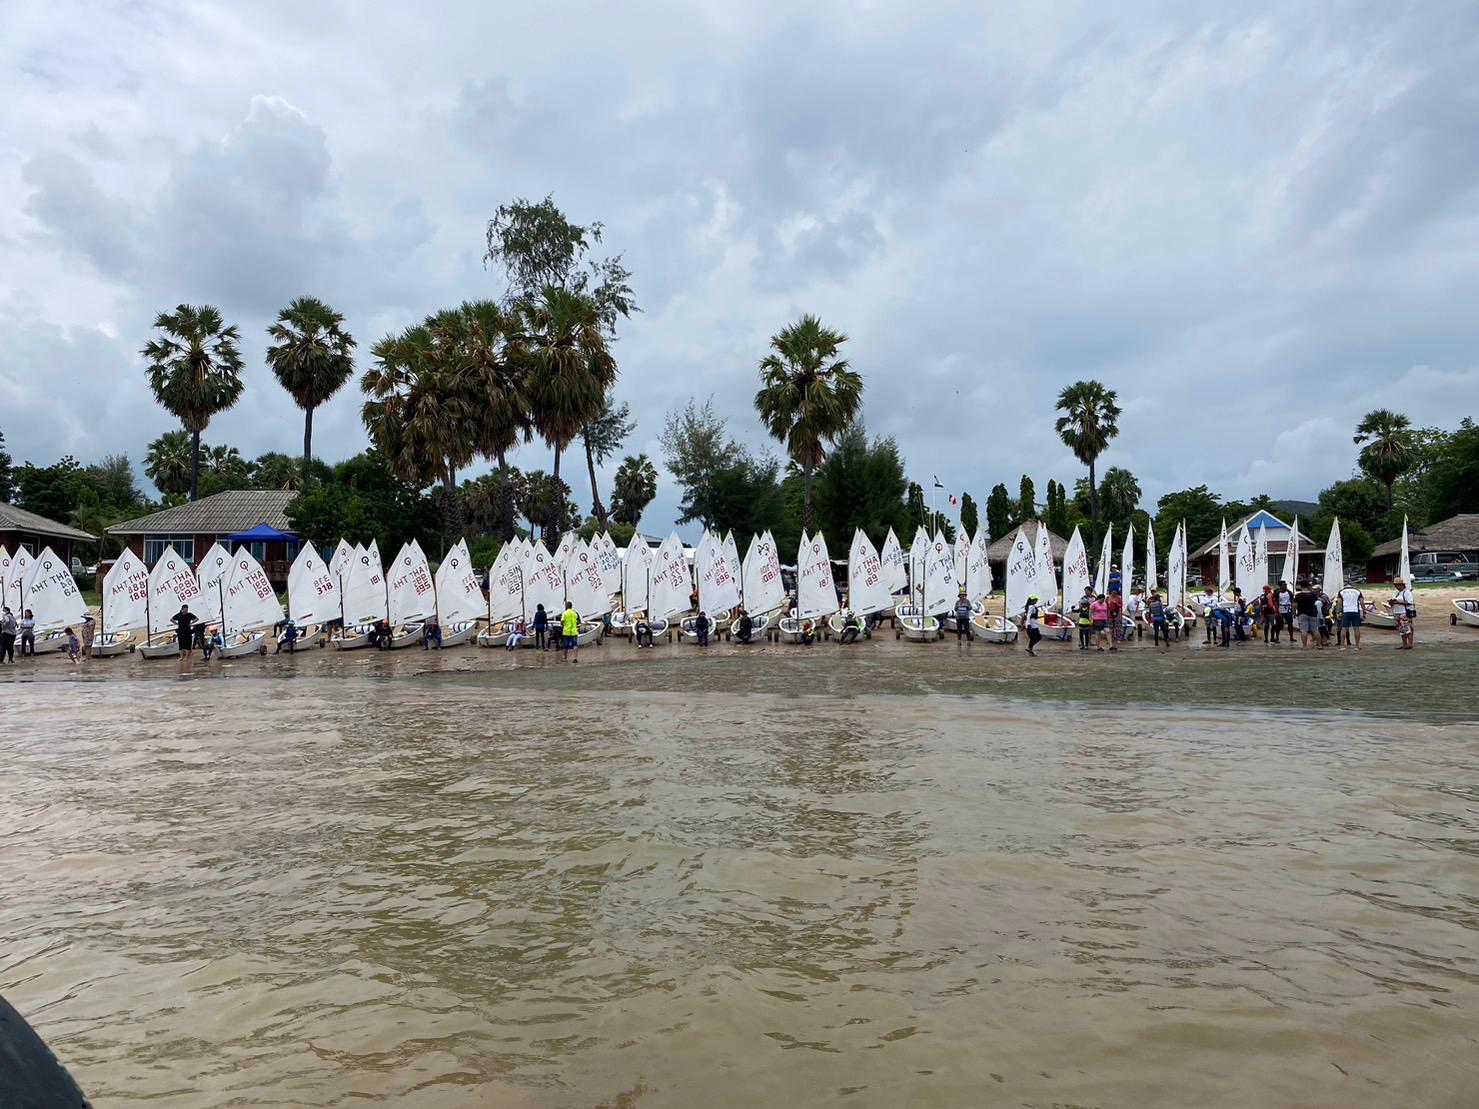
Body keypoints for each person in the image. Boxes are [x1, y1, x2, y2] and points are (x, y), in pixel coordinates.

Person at [1292, 580, 1321, 649]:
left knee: (1304, 630)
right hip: (1313, 614)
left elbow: (1294, 605)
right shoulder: (1313, 595)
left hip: (1302, 614)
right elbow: (1317, 603)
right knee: (1315, 630)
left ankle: (1304, 646)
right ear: (1308, 586)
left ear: (1301, 586)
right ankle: (1320, 645)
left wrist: (1294, 612)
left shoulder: (1298, 595)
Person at [1390, 577, 1416, 649]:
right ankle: (1405, 644)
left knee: (1406, 629)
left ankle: (1409, 644)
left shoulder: (1407, 593)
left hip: (1404, 612)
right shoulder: (1397, 593)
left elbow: (1410, 602)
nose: (1396, 587)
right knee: (1401, 629)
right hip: (1397, 612)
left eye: (1397, 585)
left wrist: (1397, 602)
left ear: (1401, 585)